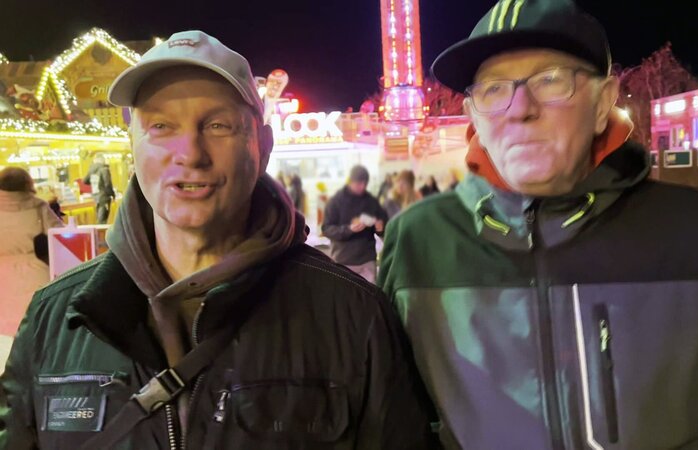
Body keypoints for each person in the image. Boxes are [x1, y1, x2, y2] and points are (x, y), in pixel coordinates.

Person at [0, 31, 436, 449]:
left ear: (262, 146)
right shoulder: (54, 319)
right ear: (133, 144)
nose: (190, 152)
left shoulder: (355, 317)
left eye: (218, 125)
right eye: (161, 126)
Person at [378, 1, 698, 448]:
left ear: (602, 102)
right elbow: (396, 413)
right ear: (474, 115)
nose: (520, 109)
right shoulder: (419, 239)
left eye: (550, 80)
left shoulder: (694, 229)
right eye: (493, 90)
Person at [0, 167, 63, 337]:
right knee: (37, 328)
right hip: (36, 273)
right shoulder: (38, 206)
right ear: (28, 183)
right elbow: (60, 235)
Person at [322, 165, 388, 283]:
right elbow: (326, 229)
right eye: (359, 183)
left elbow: (383, 227)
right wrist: (348, 229)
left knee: (369, 297)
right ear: (350, 181)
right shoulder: (336, 201)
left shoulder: (371, 201)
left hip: (367, 261)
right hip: (343, 260)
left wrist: (380, 229)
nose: (362, 187)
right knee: (344, 298)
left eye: (365, 184)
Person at [83, 153, 116, 224]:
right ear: (102, 160)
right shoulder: (104, 169)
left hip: (95, 197)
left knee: (99, 218)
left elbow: (85, 181)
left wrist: (93, 183)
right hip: (104, 197)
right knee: (103, 219)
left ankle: (99, 234)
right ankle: (102, 234)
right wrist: (112, 194)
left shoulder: (91, 170)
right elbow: (108, 184)